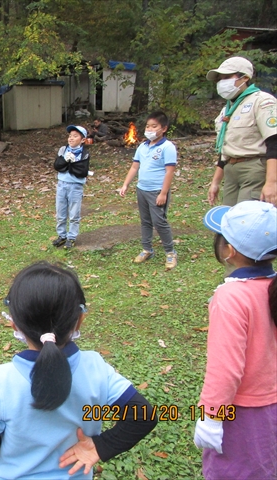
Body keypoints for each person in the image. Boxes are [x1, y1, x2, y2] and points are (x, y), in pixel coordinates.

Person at [0, 262, 157, 479]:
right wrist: (101, 446)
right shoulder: (95, 368)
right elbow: (144, 415)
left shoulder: (0, 380)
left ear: (14, 325)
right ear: (79, 321)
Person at [195, 201, 277, 479]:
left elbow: (225, 369)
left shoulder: (231, 298)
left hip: (242, 413)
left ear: (228, 251)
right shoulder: (272, 287)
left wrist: (210, 418)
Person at [206, 56, 277, 207]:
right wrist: (215, 182)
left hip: (254, 168)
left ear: (244, 78)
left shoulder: (262, 101)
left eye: (226, 77)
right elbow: (225, 149)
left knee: (246, 220)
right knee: (227, 222)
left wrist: (271, 182)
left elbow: (274, 143)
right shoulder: (226, 110)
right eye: (219, 79)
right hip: (231, 170)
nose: (221, 82)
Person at [119, 111, 178, 270]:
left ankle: (170, 252)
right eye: (148, 126)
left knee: (159, 222)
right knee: (145, 221)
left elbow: (169, 171)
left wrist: (163, 193)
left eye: (154, 126)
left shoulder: (167, 147)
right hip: (142, 189)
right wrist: (125, 184)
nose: (150, 129)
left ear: (163, 128)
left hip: (157, 191)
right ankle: (147, 249)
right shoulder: (142, 146)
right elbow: (134, 167)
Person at [52, 125, 91, 249]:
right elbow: (58, 166)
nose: (71, 138)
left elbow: (82, 171)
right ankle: (61, 235)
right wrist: (66, 161)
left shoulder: (84, 153)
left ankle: (71, 237)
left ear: (83, 139)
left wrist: (71, 164)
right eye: (70, 136)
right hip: (62, 185)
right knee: (60, 212)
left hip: (75, 186)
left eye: (75, 136)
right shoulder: (63, 150)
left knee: (74, 214)